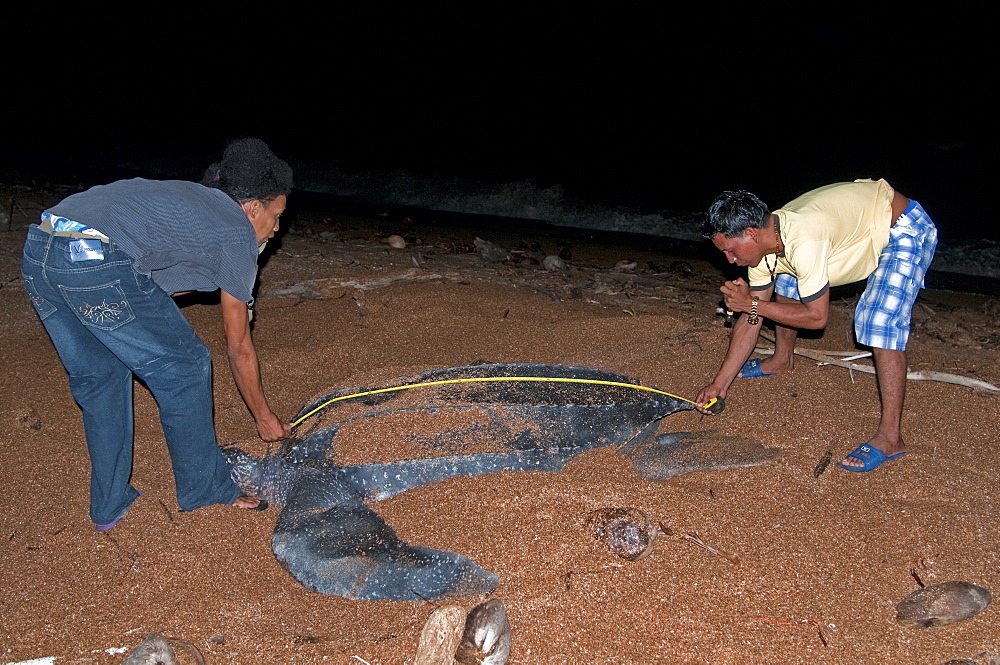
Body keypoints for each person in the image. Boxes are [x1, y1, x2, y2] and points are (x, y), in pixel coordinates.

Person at [21, 137, 294, 530]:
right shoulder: (236, 231)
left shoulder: (198, 207)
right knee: (184, 365)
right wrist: (264, 417)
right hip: (93, 256)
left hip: (41, 249)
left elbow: (147, 285)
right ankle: (206, 492)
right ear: (252, 209)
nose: (278, 228)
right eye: (277, 215)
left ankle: (109, 507)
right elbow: (238, 346)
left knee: (101, 377)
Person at [695, 179, 937, 472]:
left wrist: (752, 304)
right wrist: (719, 385)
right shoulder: (765, 244)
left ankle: (890, 438)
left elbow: (816, 318)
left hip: (902, 228)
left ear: (750, 233)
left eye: (731, 251)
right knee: (786, 279)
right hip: (852, 230)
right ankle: (781, 360)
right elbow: (752, 319)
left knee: (877, 320)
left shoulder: (804, 239)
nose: (730, 261)